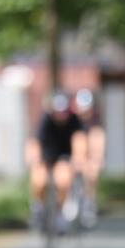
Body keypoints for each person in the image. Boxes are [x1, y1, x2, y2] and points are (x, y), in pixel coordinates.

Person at [25, 91, 84, 232]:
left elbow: (79, 141)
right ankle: (38, 207)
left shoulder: (74, 120)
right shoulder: (45, 120)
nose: (61, 115)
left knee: (63, 180)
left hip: (64, 155)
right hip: (47, 154)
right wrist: (34, 161)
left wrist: (79, 159)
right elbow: (34, 142)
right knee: (39, 179)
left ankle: (59, 212)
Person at [73, 88, 105, 226]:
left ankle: (89, 199)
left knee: (93, 168)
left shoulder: (95, 121)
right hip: (72, 154)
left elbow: (98, 139)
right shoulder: (72, 120)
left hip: (90, 155)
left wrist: (97, 158)